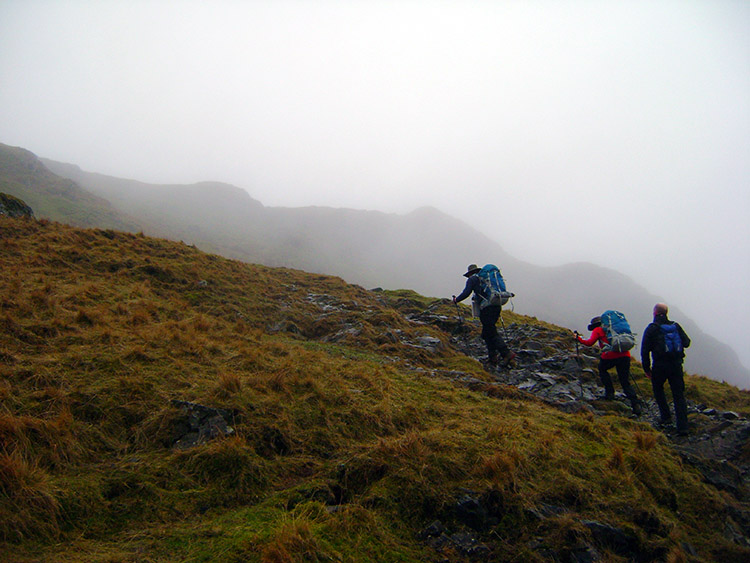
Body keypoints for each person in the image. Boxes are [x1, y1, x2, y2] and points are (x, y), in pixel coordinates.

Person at [641, 303, 691, 435]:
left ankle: (666, 417)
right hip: (676, 365)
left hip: (660, 365)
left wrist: (646, 368)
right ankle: (683, 427)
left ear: (655, 313)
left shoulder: (652, 328)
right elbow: (687, 342)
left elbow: (645, 350)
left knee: (658, 389)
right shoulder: (675, 326)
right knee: (679, 395)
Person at [576, 316, 642, 415]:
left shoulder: (598, 330)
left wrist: (578, 339)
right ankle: (635, 404)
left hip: (609, 356)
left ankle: (610, 393)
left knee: (602, 369)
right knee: (625, 381)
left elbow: (589, 343)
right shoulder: (614, 328)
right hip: (624, 355)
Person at [453, 264, 516, 367]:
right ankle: (493, 358)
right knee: (487, 332)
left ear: (470, 273)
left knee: (490, 331)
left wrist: (456, 300)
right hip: (496, 305)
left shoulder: (473, 279)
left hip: (486, 308)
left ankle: (506, 353)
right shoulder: (486, 279)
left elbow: (466, 292)